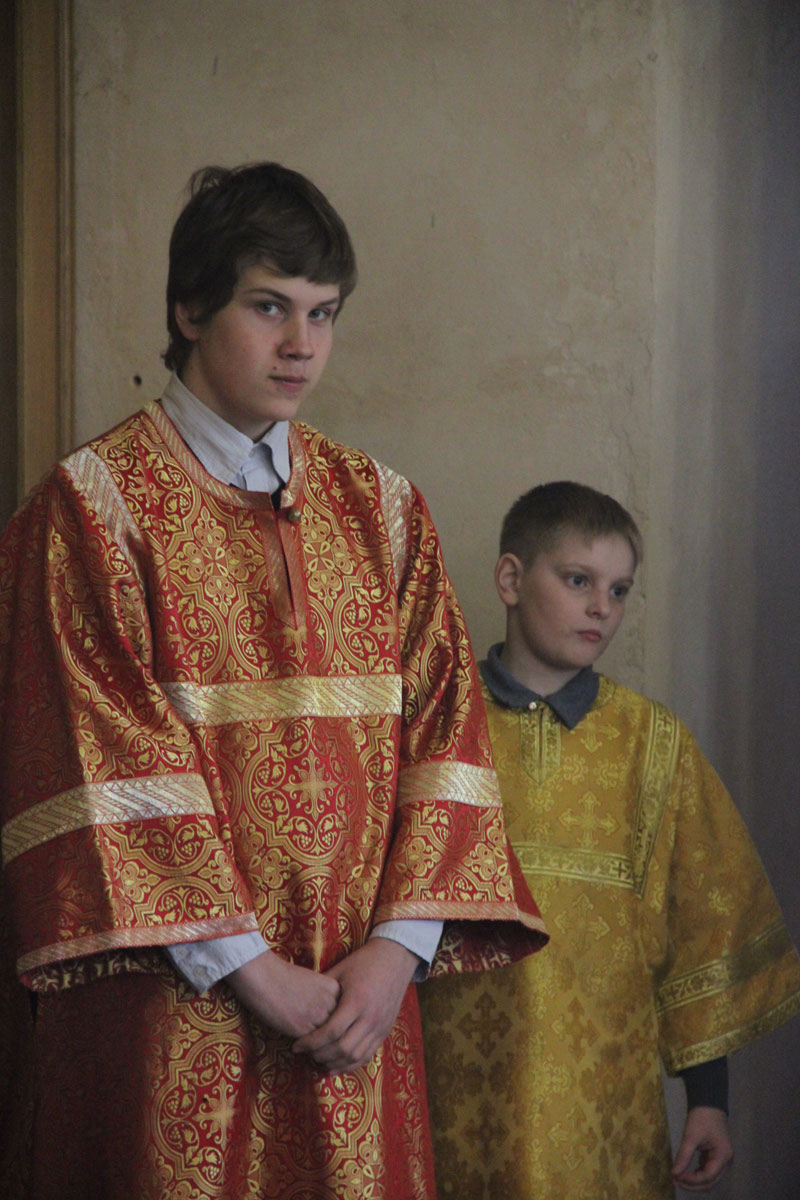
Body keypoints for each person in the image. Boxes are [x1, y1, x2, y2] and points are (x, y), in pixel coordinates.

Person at [0, 162, 547, 1200]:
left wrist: (395, 953)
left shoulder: (383, 508)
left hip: (356, 1008)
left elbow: (447, 738)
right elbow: (97, 763)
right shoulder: (92, 509)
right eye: (268, 307)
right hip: (173, 1013)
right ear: (189, 308)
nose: (302, 344)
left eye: (322, 313)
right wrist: (250, 969)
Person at [420, 481, 800, 1198]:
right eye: (578, 580)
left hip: (606, 1105)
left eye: (620, 590)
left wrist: (708, 1099)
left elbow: (702, 927)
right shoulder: (436, 726)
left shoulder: (654, 743)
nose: (603, 607)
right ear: (511, 579)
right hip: (450, 1090)